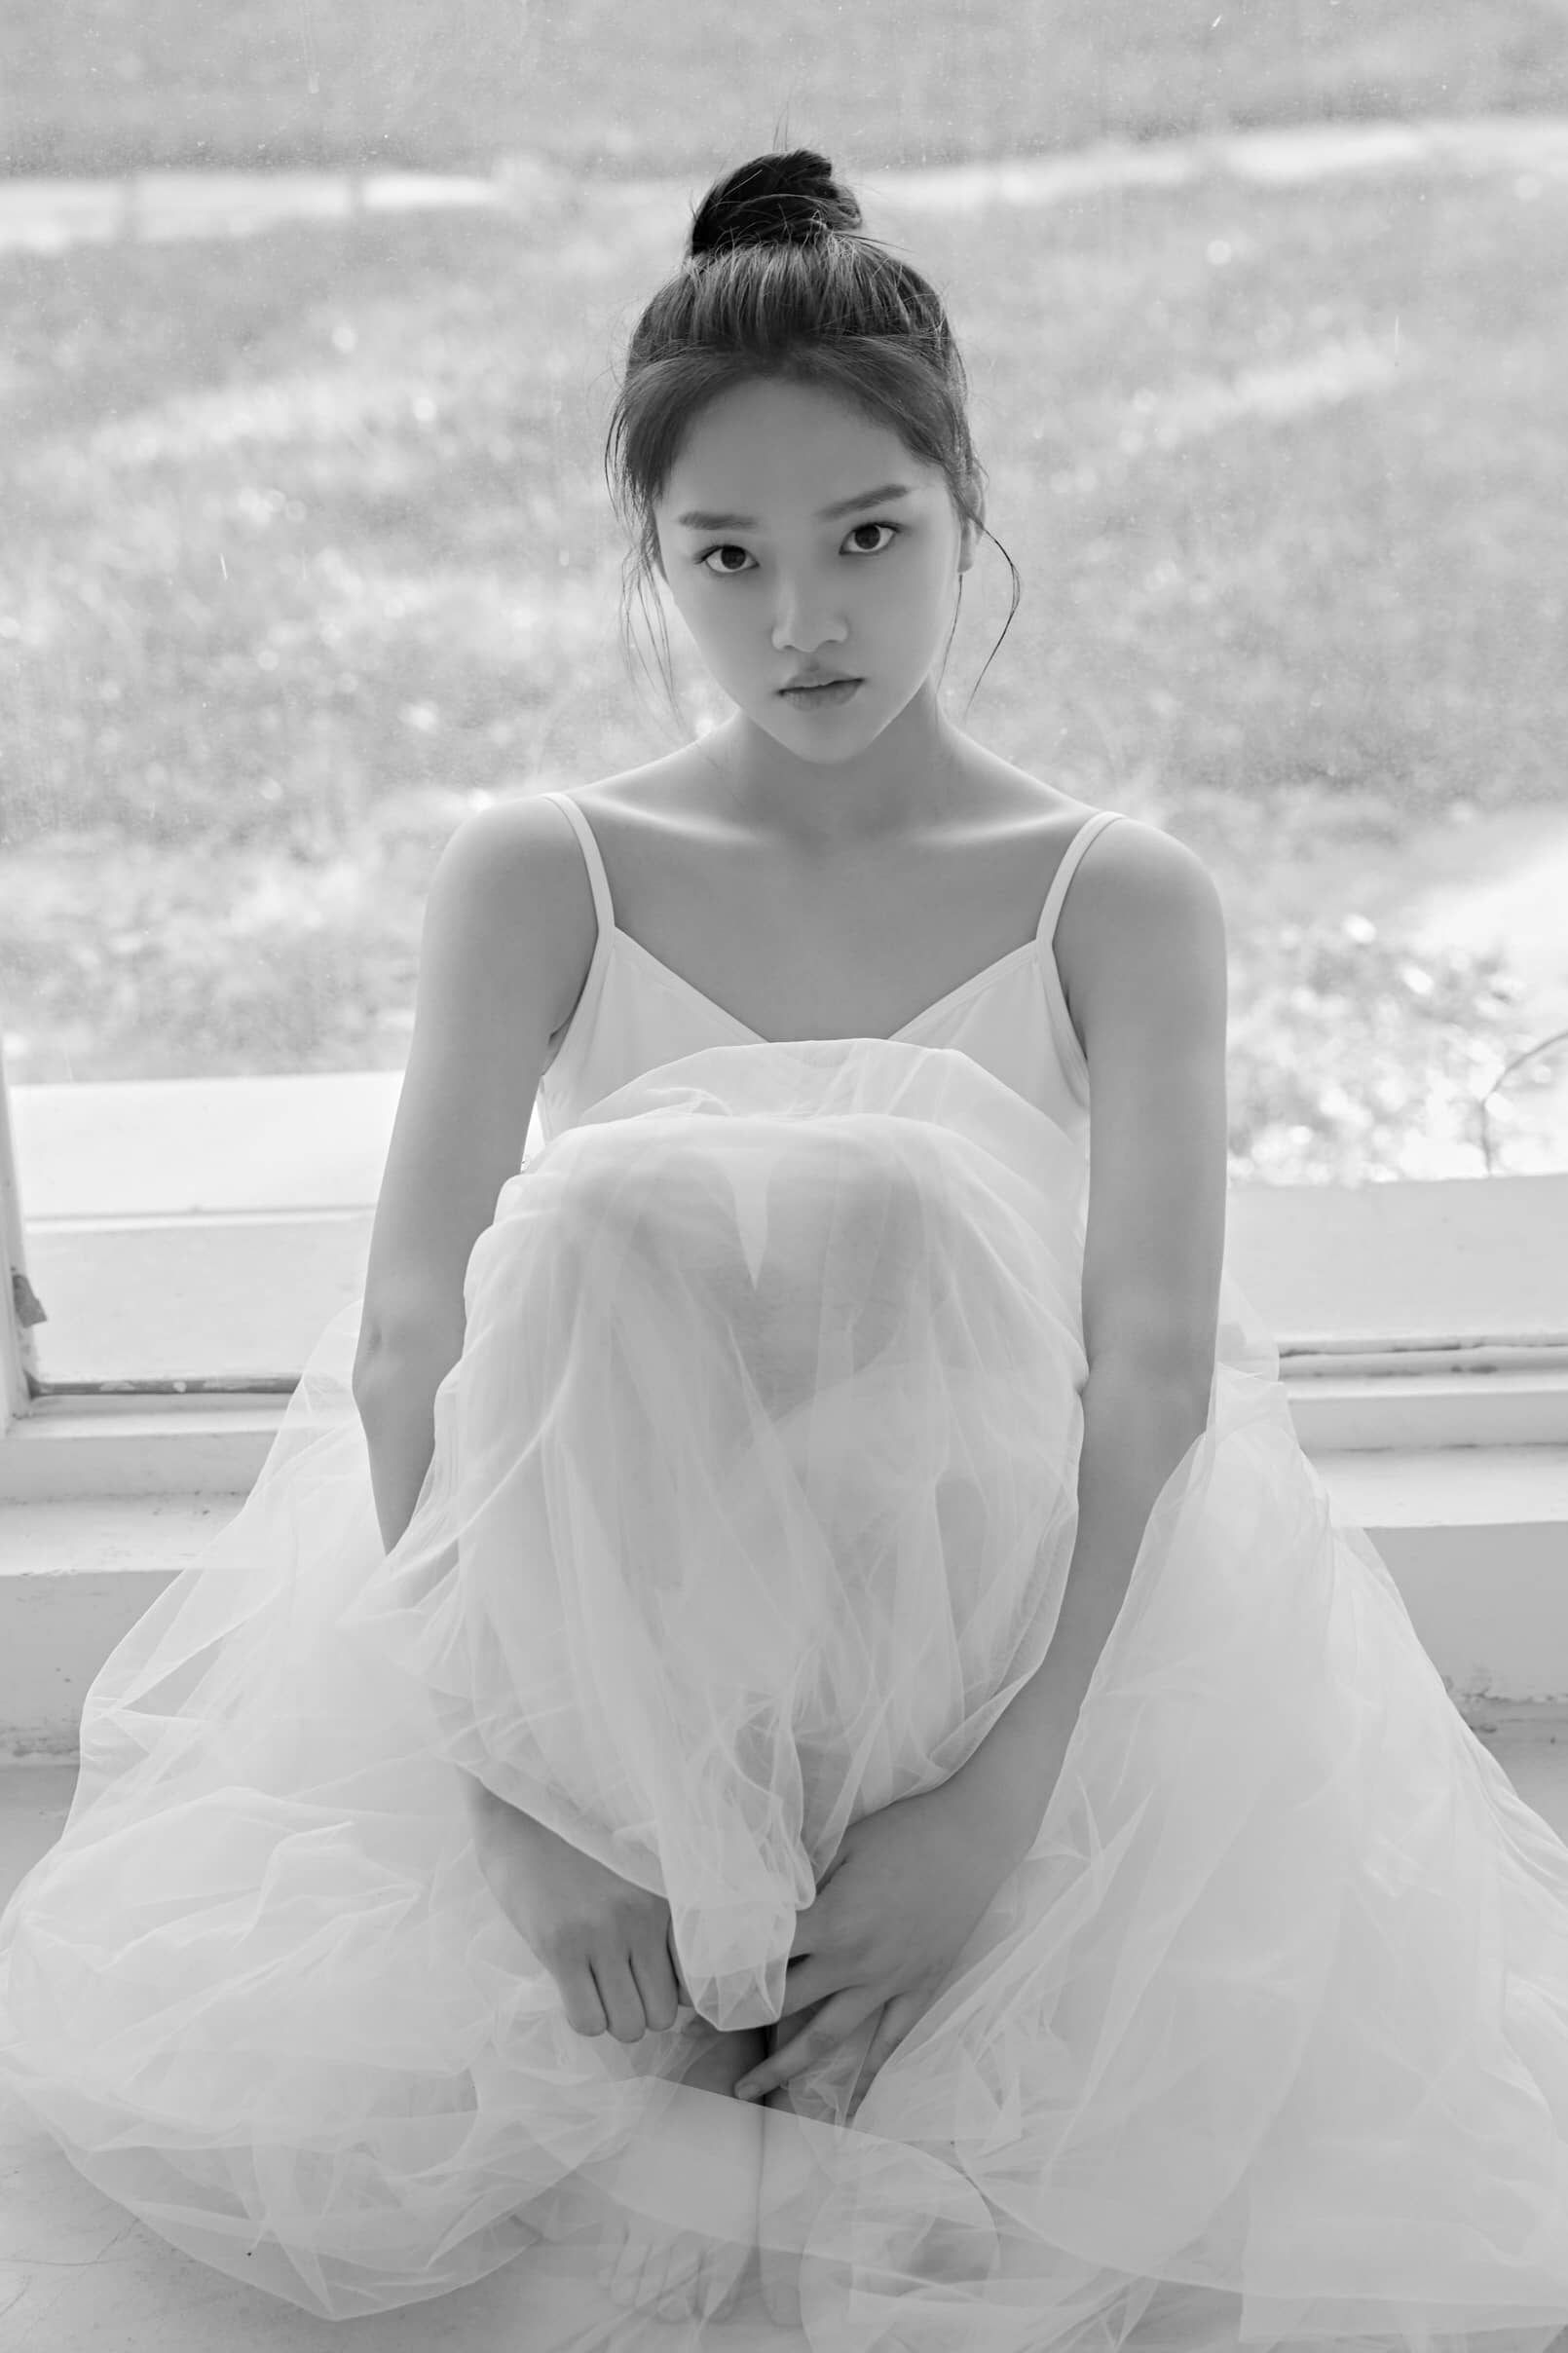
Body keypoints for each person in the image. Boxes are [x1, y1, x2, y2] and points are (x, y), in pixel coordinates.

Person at [3, 145, 1568, 2353]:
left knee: (907, 1225)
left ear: (964, 510)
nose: (801, 622)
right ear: (652, 557)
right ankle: (702, 1993)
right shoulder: (544, 868)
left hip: (982, 1624)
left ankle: (834, 1994)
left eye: (867, 539)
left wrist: (992, 1811)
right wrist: (520, 1811)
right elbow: (410, 1341)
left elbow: (1148, 1375)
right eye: (723, 558)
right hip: (608, 1619)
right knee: (620, 1220)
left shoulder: (1113, 895)